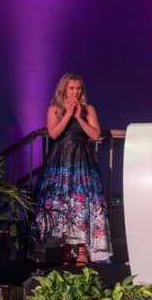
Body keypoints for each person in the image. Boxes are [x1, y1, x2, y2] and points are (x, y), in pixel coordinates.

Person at [30, 72, 112, 266]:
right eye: (71, 88)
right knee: (62, 202)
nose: (75, 92)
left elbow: (95, 135)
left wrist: (79, 117)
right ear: (64, 90)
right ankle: (65, 247)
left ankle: (82, 249)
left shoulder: (88, 109)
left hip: (82, 160)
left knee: (83, 203)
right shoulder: (54, 109)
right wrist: (67, 114)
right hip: (61, 161)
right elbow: (54, 133)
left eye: (78, 88)